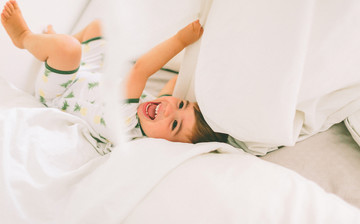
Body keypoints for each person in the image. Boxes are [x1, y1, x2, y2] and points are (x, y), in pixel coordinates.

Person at [1, 0, 228, 148]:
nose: (169, 109)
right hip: (90, 73)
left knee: (68, 49)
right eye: (181, 105)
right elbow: (174, 82)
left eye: (174, 125)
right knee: (98, 27)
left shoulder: (128, 123)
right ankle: (52, 43)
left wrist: (181, 40)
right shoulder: (152, 116)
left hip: (61, 90)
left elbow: (141, 69)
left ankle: (24, 37)